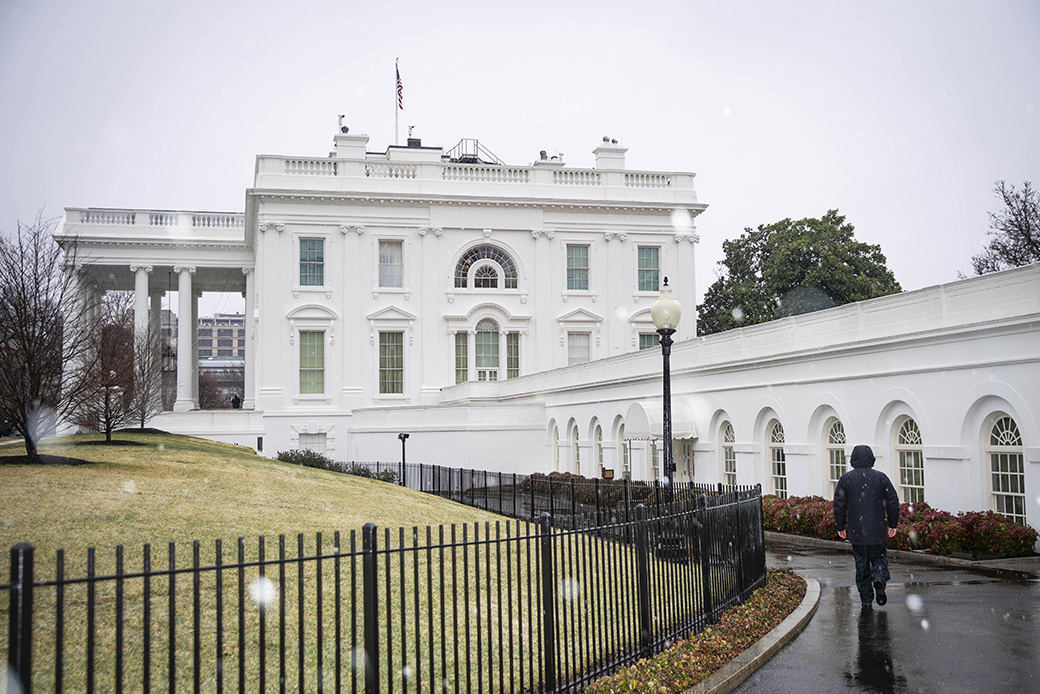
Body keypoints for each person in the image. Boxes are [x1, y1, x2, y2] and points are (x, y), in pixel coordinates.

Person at [833, 444, 900, 608]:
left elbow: (839, 505)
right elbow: (893, 502)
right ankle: (879, 581)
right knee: (879, 558)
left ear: (853, 459)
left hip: (857, 531)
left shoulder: (846, 479)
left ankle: (866, 599)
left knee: (861, 564)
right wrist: (893, 524)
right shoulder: (881, 478)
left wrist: (840, 526)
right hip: (878, 529)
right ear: (871, 459)